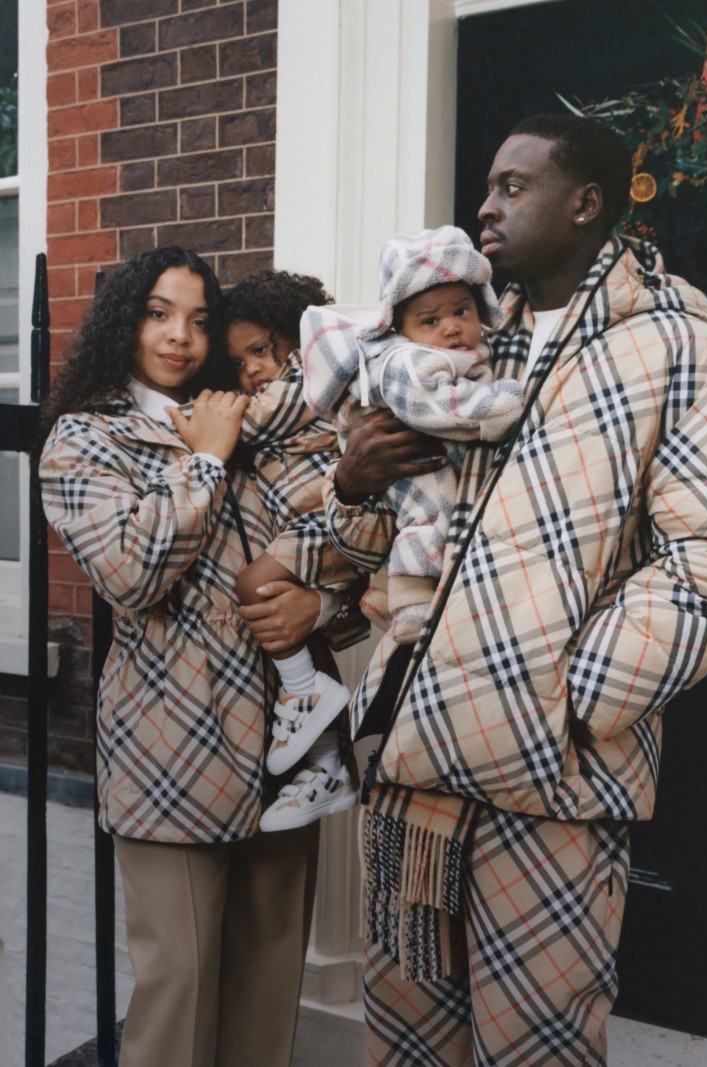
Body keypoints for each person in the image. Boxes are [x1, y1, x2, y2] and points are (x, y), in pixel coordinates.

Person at [324, 115, 707, 1065]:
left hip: (550, 786)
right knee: (408, 1045)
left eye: (511, 186)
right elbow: (378, 544)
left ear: (586, 203)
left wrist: (572, 696)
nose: (485, 207)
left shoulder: (680, 352)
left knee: (534, 1049)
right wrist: (354, 484)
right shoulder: (456, 347)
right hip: (414, 772)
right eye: (488, 187)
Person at [36, 247, 329, 1067]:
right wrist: (203, 461)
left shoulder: (247, 411)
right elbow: (131, 575)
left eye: (201, 320)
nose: (180, 336)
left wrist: (324, 601)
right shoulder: (84, 439)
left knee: (271, 981)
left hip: (286, 734)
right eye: (160, 313)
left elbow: (327, 539)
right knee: (180, 987)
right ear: (125, 322)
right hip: (173, 746)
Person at [301, 225, 525, 644]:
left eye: (462, 311)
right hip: (407, 457)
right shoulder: (404, 360)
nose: (451, 328)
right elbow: (439, 405)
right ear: (400, 327)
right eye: (430, 320)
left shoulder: (467, 351)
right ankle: (411, 605)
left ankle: (385, 589)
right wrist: (503, 405)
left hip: (435, 452)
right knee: (431, 509)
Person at [221, 268, 361, 831]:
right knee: (300, 632)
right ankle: (329, 767)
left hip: (325, 520)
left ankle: (304, 694)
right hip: (307, 527)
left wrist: (189, 419)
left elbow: (249, 421)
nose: (251, 370)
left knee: (254, 584)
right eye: (237, 362)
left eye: (259, 351)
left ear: (295, 341)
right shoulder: (283, 382)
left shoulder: (308, 380)